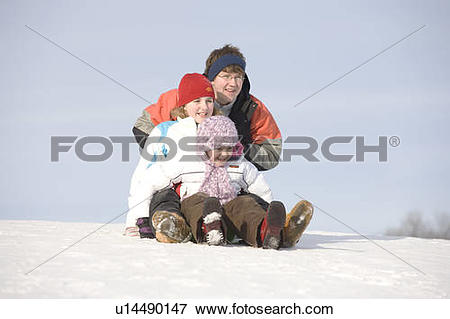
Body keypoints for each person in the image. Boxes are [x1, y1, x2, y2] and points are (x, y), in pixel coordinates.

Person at [131, 116, 313, 249]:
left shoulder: (240, 164)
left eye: (229, 148)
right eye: (218, 148)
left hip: (231, 213)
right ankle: (208, 228)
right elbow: (149, 184)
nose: (225, 153)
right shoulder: (185, 161)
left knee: (245, 204)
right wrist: (141, 218)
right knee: (196, 202)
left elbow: (260, 189)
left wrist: (268, 211)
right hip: (196, 208)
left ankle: (267, 231)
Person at [132, 44, 282, 172]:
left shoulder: (252, 108)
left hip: (230, 177)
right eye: (226, 76)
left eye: (238, 77)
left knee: (248, 199)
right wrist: (175, 150)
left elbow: (272, 152)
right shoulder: (181, 98)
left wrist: (235, 148)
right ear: (212, 78)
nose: (233, 84)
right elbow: (142, 128)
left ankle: (268, 207)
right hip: (179, 174)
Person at [125, 73, 218, 238]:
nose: (204, 107)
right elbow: (143, 173)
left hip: (204, 197)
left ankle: (213, 226)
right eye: (197, 101)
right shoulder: (165, 131)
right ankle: (168, 225)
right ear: (183, 105)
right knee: (164, 197)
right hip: (170, 193)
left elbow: (238, 168)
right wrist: (135, 218)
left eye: (209, 101)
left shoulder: (222, 130)